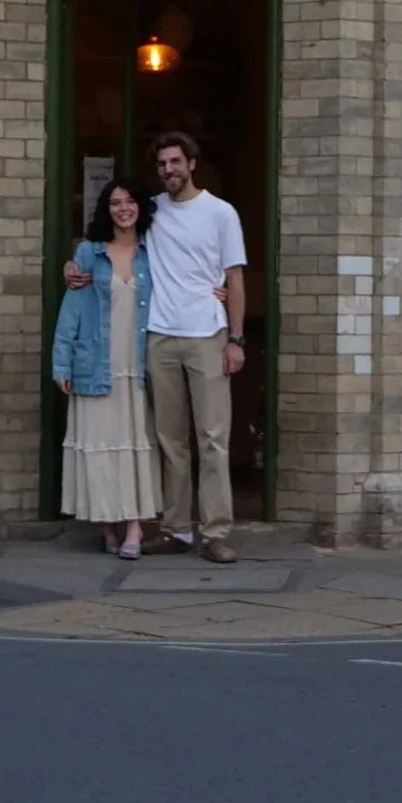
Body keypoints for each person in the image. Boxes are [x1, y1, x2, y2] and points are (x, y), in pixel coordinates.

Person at [64, 130, 247, 564]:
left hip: (208, 334)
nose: (169, 170)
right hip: (158, 336)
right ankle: (177, 529)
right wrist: (75, 265)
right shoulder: (152, 212)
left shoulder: (221, 213)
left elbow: (234, 278)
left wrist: (236, 338)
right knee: (168, 440)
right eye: (162, 164)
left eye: (176, 162)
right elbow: (116, 244)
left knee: (213, 438)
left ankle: (216, 533)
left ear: (192, 164)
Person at [52, 175, 160, 558]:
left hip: (139, 365)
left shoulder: (155, 250)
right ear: (106, 210)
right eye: (115, 203)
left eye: (130, 201)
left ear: (141, 207)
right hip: (95, 364)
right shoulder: (88, 254)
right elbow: (72, 311)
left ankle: (134, 527)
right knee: (98, 448)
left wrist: (216, 288)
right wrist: (61, 361)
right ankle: (106, 525)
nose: (123, 208)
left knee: (135, 447)